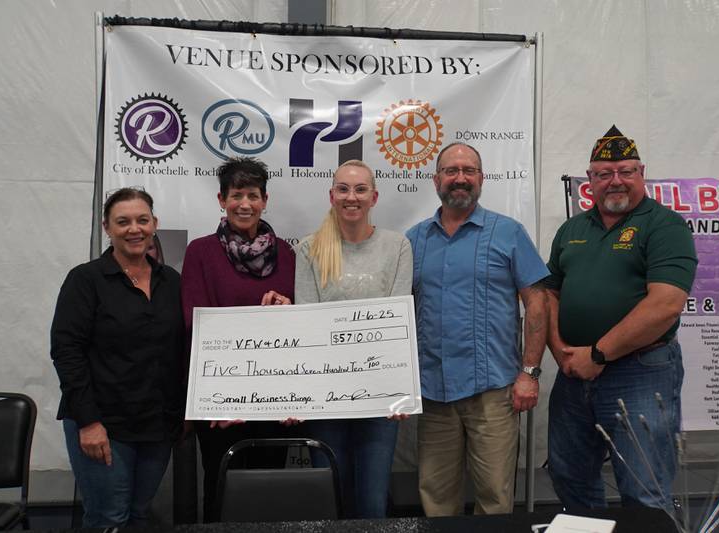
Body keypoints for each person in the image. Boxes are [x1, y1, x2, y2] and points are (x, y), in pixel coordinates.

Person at [544, 125, 698, 511]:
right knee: (570, 478)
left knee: (644, 487)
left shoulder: (664, 226)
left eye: (626, 171)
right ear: (590, 180)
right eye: (604, 174)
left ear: (642, 174)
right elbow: (549, 292)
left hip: (641, 371)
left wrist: (598, 354)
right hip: (574, 373)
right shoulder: (572, 229)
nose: (616, 181)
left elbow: (665, 304)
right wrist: (561, 350)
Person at [406, 142, 549, 516]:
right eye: (451, 171)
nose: (460, 178)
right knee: (436, 498)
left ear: (481, 179)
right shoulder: (413, 240)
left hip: (494, 394)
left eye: (469, 171)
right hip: (433, 394)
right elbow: (396, 311)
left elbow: (537, 302)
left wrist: (530, 373)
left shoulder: (508, 232)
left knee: (495, 499)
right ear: (436, 179)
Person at [50, 187, 184, 527]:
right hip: (104, 424)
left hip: (158, 425)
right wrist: (88, 423)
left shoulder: (172, 281)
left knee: (139, 515)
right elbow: (67, 352)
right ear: (107, 228)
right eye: (122, 222)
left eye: (142, 220)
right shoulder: (85, 280)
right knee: (108, 518)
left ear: (154, 224)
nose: (134, 229)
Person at [294, 159, 412, 518]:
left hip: (379, 400)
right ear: (332, 195)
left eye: (360, 189)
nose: (351, 197)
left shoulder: (397, 246)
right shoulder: (309, 248)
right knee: (330, 501)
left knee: (373, 503)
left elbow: (397, 323)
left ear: (374, 197)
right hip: (326, 399)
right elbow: (307, 322)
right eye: (343, 189)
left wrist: (397, 389)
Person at [181, 156, 295, 521]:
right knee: (222, 489)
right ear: (221, 199)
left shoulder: (288, 255)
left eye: (252, 195)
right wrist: (220, 399)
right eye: (236, 195)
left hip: (275, 401)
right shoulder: (199, 251)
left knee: (272, 492)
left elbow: (301, 329)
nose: (244, 203)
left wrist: (288, 308)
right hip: (222, 405)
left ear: (265, 200)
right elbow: (194, 324)